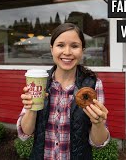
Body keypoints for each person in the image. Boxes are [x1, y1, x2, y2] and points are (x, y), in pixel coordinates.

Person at [17, 23, 110, 159]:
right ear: (52, 49)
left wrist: (98, 123)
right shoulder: (39, 83)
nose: (67, 52)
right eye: (60, 45)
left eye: (74, 46)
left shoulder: (93, 85)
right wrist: (31, 108)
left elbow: (98, 142)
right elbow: (25, 133)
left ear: (82, 50)